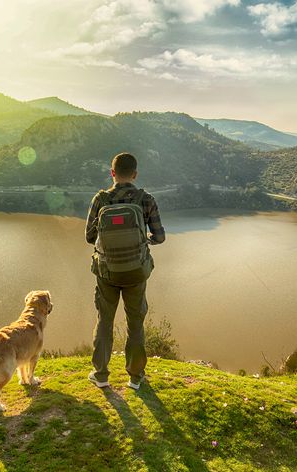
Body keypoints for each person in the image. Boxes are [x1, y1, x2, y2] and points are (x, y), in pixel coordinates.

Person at [85, 152, 165, 390]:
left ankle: (101, 375)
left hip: (107, 272)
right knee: (135, 323)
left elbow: (90, 237)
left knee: (104, 321)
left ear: (112, 173)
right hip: (136, 272)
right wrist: (144, 239)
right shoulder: (146, 199)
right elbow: (160, 237)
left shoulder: (100, 200)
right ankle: (135, 377)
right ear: (135, 174)